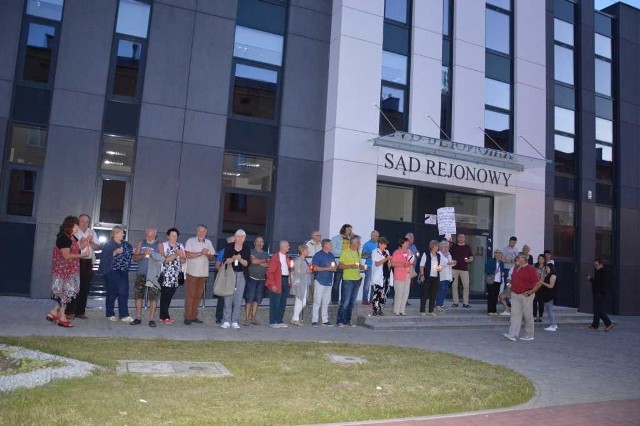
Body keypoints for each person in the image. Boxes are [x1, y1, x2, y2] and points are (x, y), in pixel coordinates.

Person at [47, 216, 86, 328]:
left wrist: (85, 243)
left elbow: (76, 248)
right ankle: (62, 317)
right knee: (65, 293)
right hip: (64, 272)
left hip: (71, 271)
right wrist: (81, 255)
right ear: (70, 225)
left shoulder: (71, 237)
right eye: (76, 225)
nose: (77, 227)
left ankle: (53, 313)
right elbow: (66, 255)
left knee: (67, 293)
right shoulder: (63, 238)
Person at [65, 213, 99, 319]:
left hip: (88, 262)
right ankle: (69, 311)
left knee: (84, 287)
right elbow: (72, 247)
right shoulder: (74, 231)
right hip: (76, 261)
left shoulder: (92, 232)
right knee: (73, 286)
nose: (84, 223)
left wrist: (90, 241)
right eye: (82, 221)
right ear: (78, 221)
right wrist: (83, 242)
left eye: (87, 221)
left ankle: (80, 312)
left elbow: (97, 247)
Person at [502, 253, 543, 342]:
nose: (517, 258)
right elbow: (513, 279)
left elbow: (538, 283)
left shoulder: (530, 270)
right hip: (515, 294)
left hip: (526, 296)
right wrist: (510, 284)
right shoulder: (516, 268)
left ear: (524, 259)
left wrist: (530, 292)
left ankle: (529, 334)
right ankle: (513, 334)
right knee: (515, 315)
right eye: (517, 257)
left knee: (527, 315)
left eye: (519, 257)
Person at [100, 226, 135, 323]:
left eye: (123, 233)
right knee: (112, 293)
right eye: (121, 233)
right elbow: (104, 258)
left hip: (123, 271)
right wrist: (114, 252)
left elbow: (131, 253)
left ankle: (124, 315)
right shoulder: (108, 244)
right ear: (115, 234)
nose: (123, 234)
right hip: (112, 271)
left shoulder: (126, 244)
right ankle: (110, 314)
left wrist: (136, 251)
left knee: (123, 292)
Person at [184, 224, 215, 325]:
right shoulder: (190, 241)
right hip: (192, 273)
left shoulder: (209, 242)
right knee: (190, 295)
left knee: (198, 296)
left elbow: (211, 257)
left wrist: (208, 254)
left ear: (206, 232)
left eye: (203, 231)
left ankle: (193, 316)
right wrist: (201, 253)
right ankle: (187, 317)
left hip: (203, 273)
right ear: (196, 231)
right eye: (200, 231)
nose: (201, 233)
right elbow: (187, 255)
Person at [221, 229, 251, 329]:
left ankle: (235, 321)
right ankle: (226, 321)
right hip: (230, 274)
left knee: (238, 299)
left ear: (244, 238)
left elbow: (247, 263)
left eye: (242, 237)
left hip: (242, 275)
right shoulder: (229, 246)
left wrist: (240, 259)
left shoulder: (246, 248)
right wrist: (233, 259)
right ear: (235, 237)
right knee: (228, 298)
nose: (240, 238)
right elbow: (225, 260)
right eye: (238, 236)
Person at [130, 228, 160, 327]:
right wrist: (143, 254)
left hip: (153, 275)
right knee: (138, 296)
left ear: (155, 235)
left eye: (152, 235)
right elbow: (134, 258)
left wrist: (152, 254)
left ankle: (151, 319)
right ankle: (138, 317)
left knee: (153, 298)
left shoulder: (159, 244)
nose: (149, 237)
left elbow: (162, 259)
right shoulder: (140, 242)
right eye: (148, 235)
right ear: (145, 234)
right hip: (141, 273)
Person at [158, 228, 186, 325]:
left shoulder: (180, 246)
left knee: (170, 295)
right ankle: (165, 316)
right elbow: (164, 260)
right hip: (166, 274)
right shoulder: (163, 245)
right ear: (168, 236)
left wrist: (182, 256)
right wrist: (175, 254)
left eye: (176, 236)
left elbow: (183, 261)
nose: (174, 237)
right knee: (165, 295)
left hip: (176, 274)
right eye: (172, 235)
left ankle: (163, 316)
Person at [337, 235, 364, 327]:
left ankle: (347, 321)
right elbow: (340, 266)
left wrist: (362, 267)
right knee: (345, 302)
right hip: (348, 280)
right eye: (359, 242)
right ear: (354, 243)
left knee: (352, 302)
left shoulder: (358, 252)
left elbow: (359, 264)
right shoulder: (345, 252)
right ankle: (340, 321)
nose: (360, 244)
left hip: (357, 280)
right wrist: (350, 266)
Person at [266, 240, 292, 328]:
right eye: (287, 245)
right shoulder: (275, 257)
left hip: (285, 280)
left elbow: (288, 269)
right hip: (278, 280)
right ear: (283, 246)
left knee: (282, 301)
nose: (289, 247)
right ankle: (273, 321)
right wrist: (272, 284)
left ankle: (279, 320)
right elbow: (270, 272)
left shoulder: (287, 257)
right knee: (275, 301)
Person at [311, 239, 337, 327]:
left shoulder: (331, 255)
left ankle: (325, 320)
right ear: (325, 245)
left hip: (329, 281)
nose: (331, 246)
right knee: (317, 301)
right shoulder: (318, 255)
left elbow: (334, 266)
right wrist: (327, 268)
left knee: (326, 301)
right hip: (320, 280)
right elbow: (313, 268)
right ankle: (314, 320)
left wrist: (334, 268)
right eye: (330, 244)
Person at [245, 236, 268, 326]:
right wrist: (263, 261)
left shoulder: (266, 253)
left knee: (257, 300)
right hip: (251, 279)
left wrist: (258, 261)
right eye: (257, 241)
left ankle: (253, 318)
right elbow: (253, 261)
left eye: (261, 241)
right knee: (249, 299)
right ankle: (246, 319)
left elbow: (268, 264)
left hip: (262, 279)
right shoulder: (251, 251)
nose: (259, 243)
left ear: (263, 243)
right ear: (254, 243)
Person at [586, 259, 614, 331]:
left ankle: (608, 324)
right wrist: (590, 279)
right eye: (594, 265)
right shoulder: (599, 272)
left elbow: (604, 284)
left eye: (596, 265)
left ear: (601, 264)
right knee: (596, 310)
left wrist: (601, 293)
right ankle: (595, 325)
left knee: (599, 310)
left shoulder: (604, 272)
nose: (595, 266)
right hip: (597, 293)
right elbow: (596, 282)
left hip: (600, 294)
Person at [418, 240, 443, 316]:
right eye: (436, 246)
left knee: (433, 294)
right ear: (432, 246)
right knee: (424, 294)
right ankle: (422, 310)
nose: (437, 248)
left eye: (438, 246)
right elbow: (421, 265)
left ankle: (431, 310)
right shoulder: (426, 254)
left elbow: (439, 265)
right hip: (427, 277)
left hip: (435, 277)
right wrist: (422, 275)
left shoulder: (438, 255)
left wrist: (439, 268)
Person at [391, 237, 415, 316]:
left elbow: (412, 262)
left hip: (407, 274)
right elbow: (392, 263)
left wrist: (411, 265)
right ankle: (396, 310)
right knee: (399, 292)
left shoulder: (409, 252)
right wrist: (402, 264)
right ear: (402, 243)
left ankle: (402, 310)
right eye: (406, 242)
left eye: (408, 242)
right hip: (399, 275)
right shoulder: (397, 252)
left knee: (405, 293)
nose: (408, 243)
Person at [450, 233, 474, 308]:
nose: (461, 238)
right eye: (459, 237)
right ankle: (455, 302)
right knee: (454, 286)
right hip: (454, 268)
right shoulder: (453, 246)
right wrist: (451, 261)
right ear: (457, 238)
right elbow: (449, 256)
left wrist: (469, 260)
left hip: (464, 269)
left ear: (464, 238)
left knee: (466, 285)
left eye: (462, 237)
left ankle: (465, 303)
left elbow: (471, 257)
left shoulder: (467, 247)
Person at [290, 245, 312, 326]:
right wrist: (307, 271)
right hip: (299, 283)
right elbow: (296, 272)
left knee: (302, 302)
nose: (308, 251)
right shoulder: (298, 260)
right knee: (300, 301)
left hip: (304, 283)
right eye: (307, 250)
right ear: (302, 251)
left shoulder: (304, 260)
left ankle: (294, 318)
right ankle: (295, 319)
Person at [214, 236, 234, 324]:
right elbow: (217, 265)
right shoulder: (223, 251)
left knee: (233, 298)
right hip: (225, 278)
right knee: (222, 298)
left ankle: (230, 317)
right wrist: (223, 274)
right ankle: (219, 317)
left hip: (235, 278)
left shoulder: (239, 252)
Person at [330, 224, 352, 304]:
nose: (350, 231)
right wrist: (344, 252)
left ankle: (344, 300)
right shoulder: (335, 238)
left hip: (348, 264)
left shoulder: (351, 240)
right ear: (344, 230)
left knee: (346, 284)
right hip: (339, 264)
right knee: (336, 283)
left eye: (350, 230)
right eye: (348, 230)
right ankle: (335, 300)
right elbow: (333, 251)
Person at [371, 237, 391, 316]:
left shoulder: (387, 252)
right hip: (379, 275)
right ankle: (375, 309)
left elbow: (389, 264)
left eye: (386, 244)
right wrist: (386, 259)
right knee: (377, 292)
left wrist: (389, 262)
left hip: (386, 274)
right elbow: (377, 264)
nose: (385, 246)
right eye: (384, 244)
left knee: (384, 293)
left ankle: (381, 309)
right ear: (380, 244)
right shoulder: (375, 252)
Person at [361, 230, 379, 305]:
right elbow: (362, 255)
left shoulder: (378, 244)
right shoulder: (367, 244)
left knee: (374, 283)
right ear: (372, 236)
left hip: (377, 266)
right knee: (367, 284)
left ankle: (372, 300)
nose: (378, 237)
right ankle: (365, 300)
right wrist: (371, 255)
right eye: (376, 236)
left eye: (378, 236)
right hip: (369, 266)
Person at [436, 240, 455, 311]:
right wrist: (449, 263)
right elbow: (440, 263)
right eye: (444, 247)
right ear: (440, 247)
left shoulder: (449, 254)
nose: (446, 248)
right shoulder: (438, 254)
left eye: (447, 247)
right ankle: (438, 304)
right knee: (441, 290)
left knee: (445, 290)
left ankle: (441, 304)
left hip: (448, 275)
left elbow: (451, 263)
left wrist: (453, 262)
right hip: (441, 274)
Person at [304, 230, 323, 305]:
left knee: (317, 283)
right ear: (313, 236)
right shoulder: (308, 244)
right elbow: (306, 255)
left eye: (320, 236)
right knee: (310, 282)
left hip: (318, 266)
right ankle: (310, 300)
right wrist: (310, 263)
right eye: (318, 235)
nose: (320, 237)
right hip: (310, 265)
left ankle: (316, 299)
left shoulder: (320, 245)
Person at [485, 249, 505, 316]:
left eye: (500, 253)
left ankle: (494, 310)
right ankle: (490, 310)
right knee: (491, 295)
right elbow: (487, 270)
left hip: (498, 281)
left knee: (495, 296)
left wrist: (502, 273)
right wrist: (494, 271)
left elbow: (502, 270)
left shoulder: (501, 262)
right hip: (491, 280)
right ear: (495, 254)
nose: (499, 254)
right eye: (498, 253)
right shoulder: (490, 261)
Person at [541, 263, 558, 331]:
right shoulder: (548, 275)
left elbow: (551, 286)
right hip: (547, 295)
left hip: (550, 295)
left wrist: (542, 283)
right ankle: (554, 324)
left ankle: (553, 325)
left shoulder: (553, 276)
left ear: (551, 268)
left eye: (547, 268)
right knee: (549, 310)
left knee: (549, 310)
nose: (546, 269)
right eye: (545, 268)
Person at [532, 254, 546, 323]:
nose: (540, 260)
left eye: (542, 259)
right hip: (535, 285)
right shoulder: (535, 266)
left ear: (544, 260)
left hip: (543, 286)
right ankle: (534, 316)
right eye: (539, 259)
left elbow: (548, 277)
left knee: (541, 302)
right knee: (534, 301)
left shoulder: (546, 267)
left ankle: (540, 317)